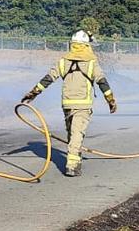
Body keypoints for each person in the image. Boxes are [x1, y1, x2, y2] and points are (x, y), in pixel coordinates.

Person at [21, 30, 116, 177]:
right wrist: (110, 101)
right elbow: (102, 81)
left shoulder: (63, 61)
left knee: (72, 135)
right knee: (77, 135)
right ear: (86, 46)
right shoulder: (91, 63)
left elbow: (48, 78)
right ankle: (72, 165)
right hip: (83, 105)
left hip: (67, 104)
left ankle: (75, 157)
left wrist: (33, 93)